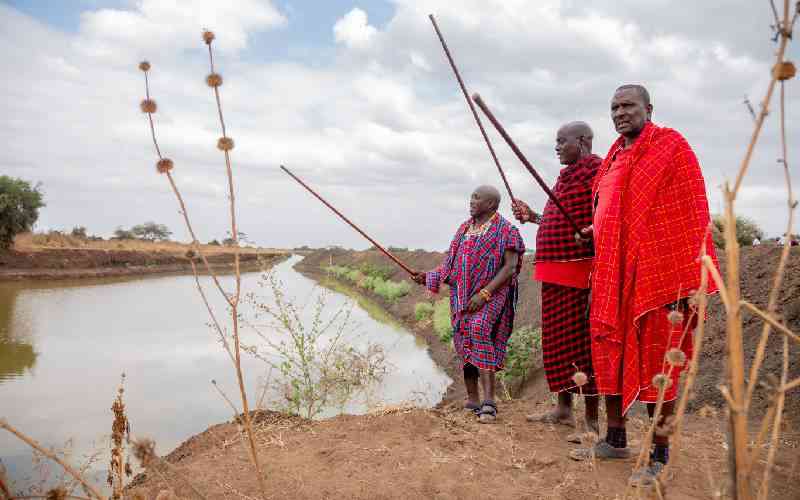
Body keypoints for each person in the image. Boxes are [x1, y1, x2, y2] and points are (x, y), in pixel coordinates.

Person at [571, 84, 719, 487]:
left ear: (648, 108)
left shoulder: (672, 148)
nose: (620, 113)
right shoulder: (613, 157)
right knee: (609, 353)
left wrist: (673, 274)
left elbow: (688, 213)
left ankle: (660, 455)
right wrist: (595, 228)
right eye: (614, 107)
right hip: (611, 274)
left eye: (628, 106)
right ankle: (615, 438)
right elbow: (611, 210)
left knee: (659, 366)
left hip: (656, 279)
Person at [511, 121, 601, 441]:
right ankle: (563, 409)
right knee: (557, 342)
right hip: (553, 274)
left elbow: (604, 218)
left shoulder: (597, 172)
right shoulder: (565, 177)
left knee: (583, 345)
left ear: (583, 141)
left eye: (562, 141)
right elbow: (560, 218)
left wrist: (592, 232)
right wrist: (533, 216)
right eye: (556, 142)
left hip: (580, 274)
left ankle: (591, 420)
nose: (557, 147)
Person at [412, 185, 525, 423]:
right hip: (462, 297)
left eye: (477, 197)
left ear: (491, 204)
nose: (472, 201)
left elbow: (510, 267)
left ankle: (490, 403)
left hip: (492, 296)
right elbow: (450, 264)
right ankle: (473, 400)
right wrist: (428, 276)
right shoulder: (465, 229)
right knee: (464, 336)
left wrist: (484, 293)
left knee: (479, 330)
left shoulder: (507, 231)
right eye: (472, 197)